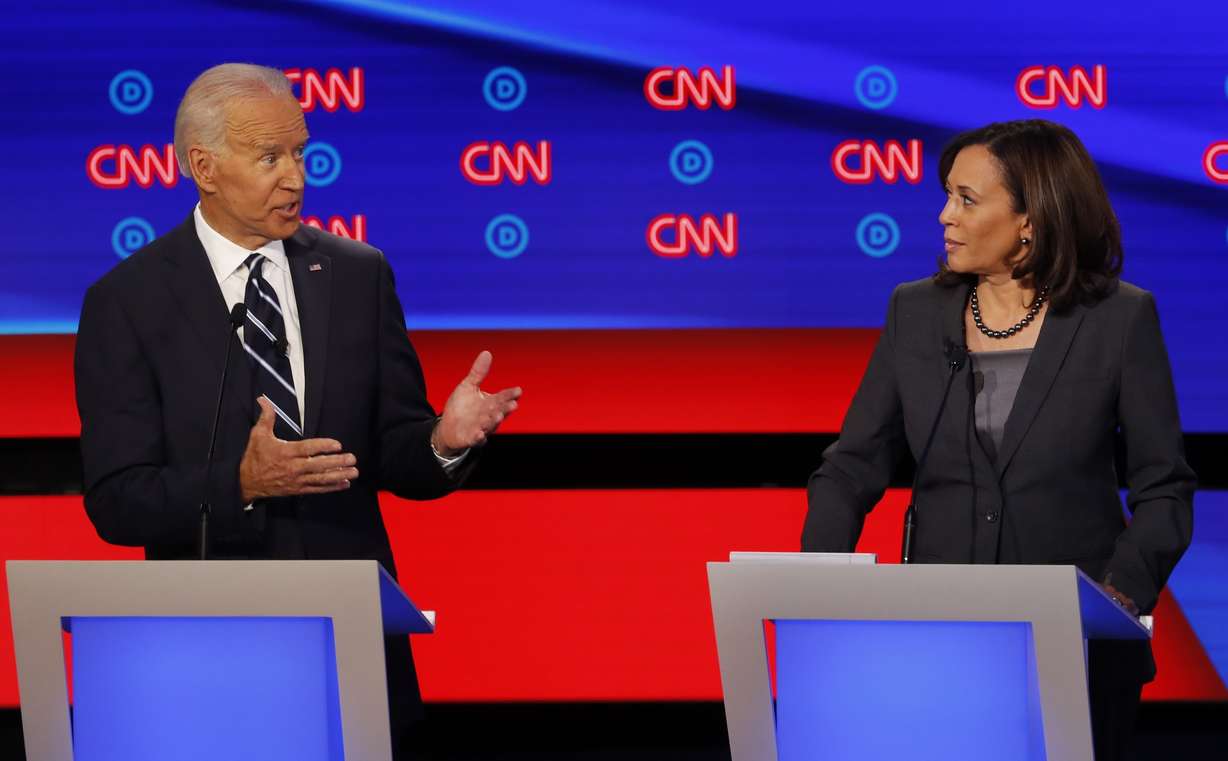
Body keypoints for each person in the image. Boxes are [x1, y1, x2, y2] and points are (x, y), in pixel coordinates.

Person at [74, 63, 522, 757]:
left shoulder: (358, 273)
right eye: (269, 157)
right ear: (204, 167)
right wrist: (241, 482)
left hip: (350, 649)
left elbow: (393, 453)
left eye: (300, 153)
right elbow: (117, 500)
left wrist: (443, 439)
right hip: (210, 653)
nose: (295, 177)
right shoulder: (127, 302)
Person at [801, 119, 1195, 760]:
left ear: (1029, 221)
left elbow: (1164, 489)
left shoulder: (1117, 319)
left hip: (1076, 650)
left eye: (967, 199)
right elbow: (851, 468)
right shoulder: (915, 312)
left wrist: (1117, 593)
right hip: (940, 646)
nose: (945, 216)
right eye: (947, 196)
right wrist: (815, 584)